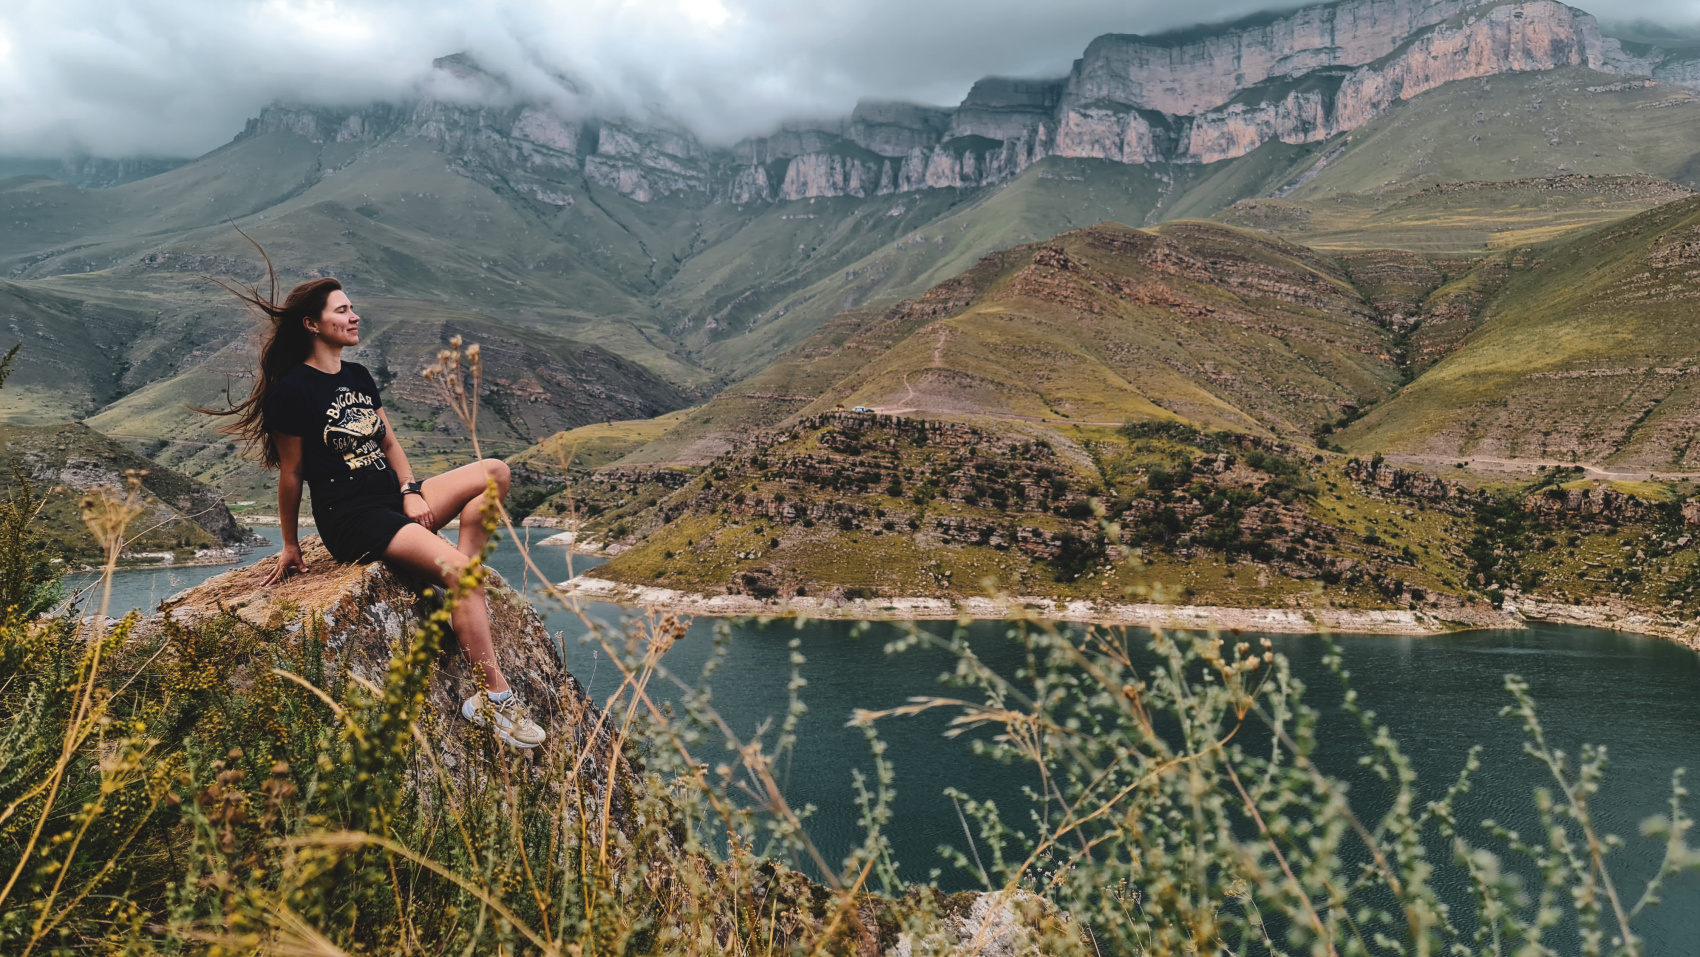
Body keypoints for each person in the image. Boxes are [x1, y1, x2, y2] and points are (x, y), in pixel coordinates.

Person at [199, 243, 545, 750]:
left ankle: (456, 586)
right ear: (312, 325)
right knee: (467, 578)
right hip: (352, 517)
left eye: (352, 308)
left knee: (495, 472)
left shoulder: (359, 376)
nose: (354, 316)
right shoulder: (292, 391)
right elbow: (291, 474)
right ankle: (492, 700)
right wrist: (291, 544)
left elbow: (389, 444)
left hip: (393, 500)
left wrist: (410, 490)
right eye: (342, 310)